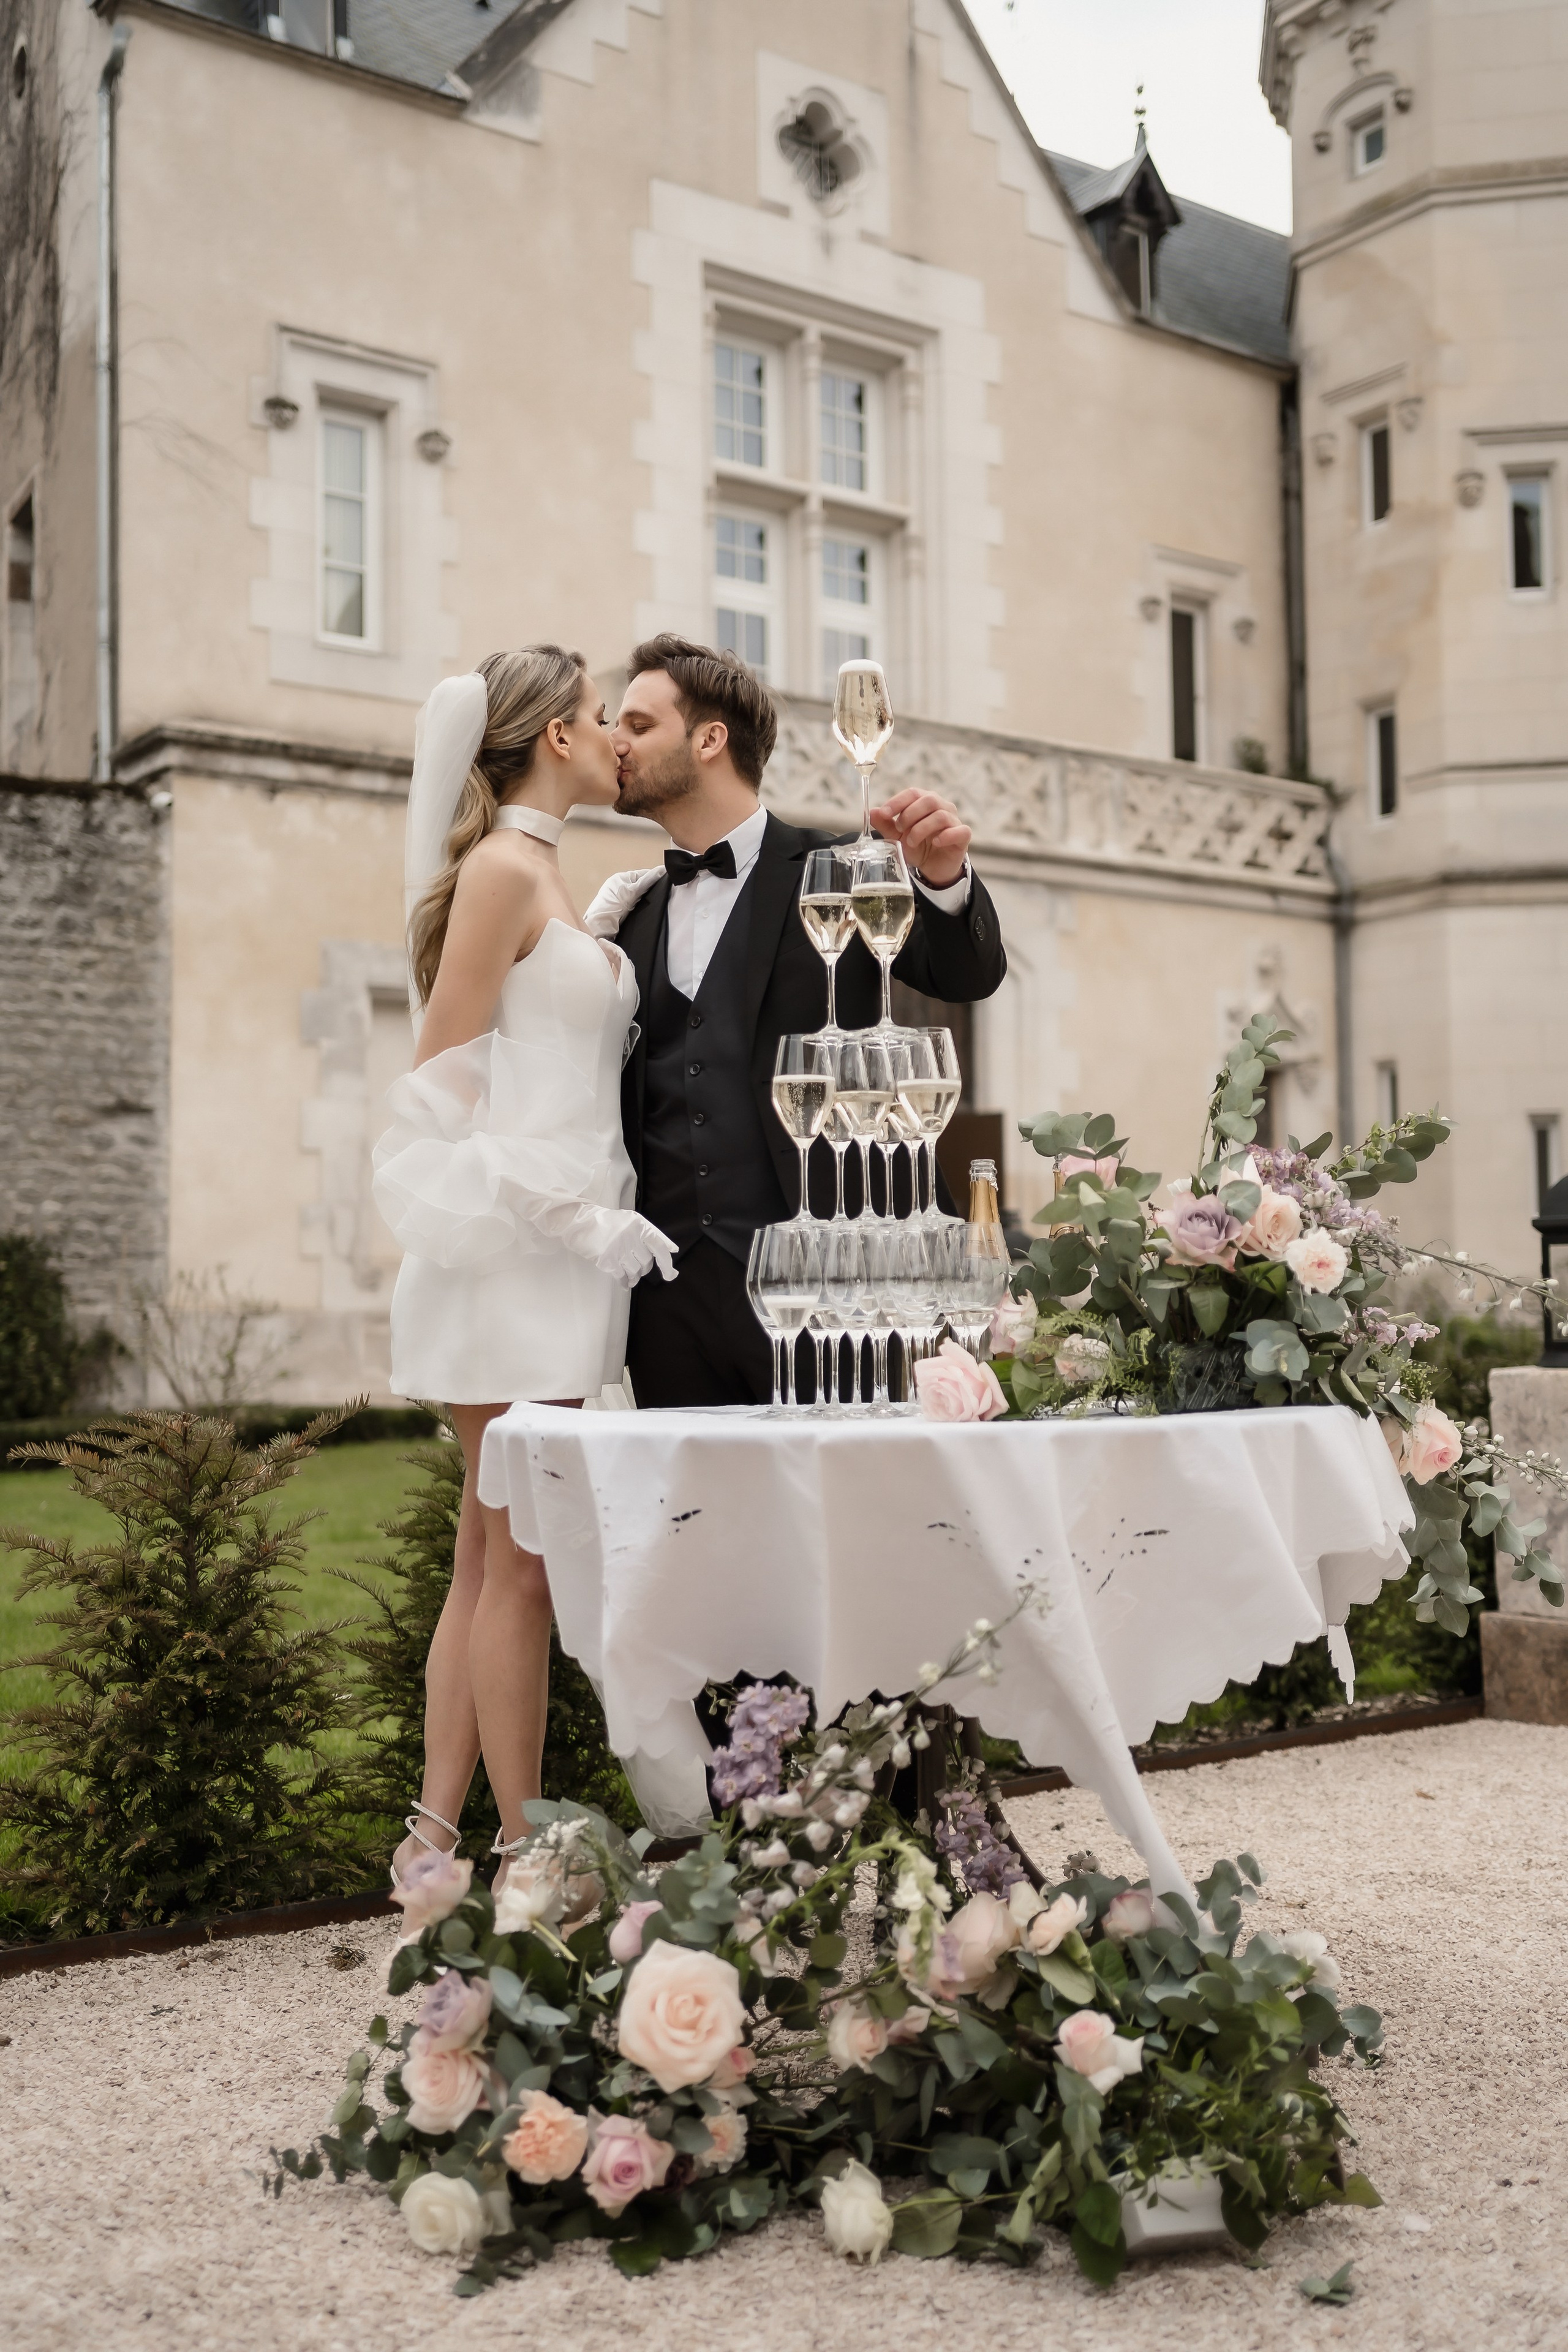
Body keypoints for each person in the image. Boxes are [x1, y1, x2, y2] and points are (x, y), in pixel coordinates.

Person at [371, 647, 677, 1889]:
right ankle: (525, 1855)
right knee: (523, 1566)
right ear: (554, 733)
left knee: (484, 1558)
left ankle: (432, 1849)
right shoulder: (503, 870)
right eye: (604, 719)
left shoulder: (542, 873)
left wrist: (597, 938)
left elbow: (550, 1041)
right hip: (513, 1256)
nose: (618, 739)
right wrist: (556, 1214)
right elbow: (437, 1086)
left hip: (562, 1258)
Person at [586, 633, 1006, 1409]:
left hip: (832, 1287)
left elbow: (964, 974)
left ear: (709, 739)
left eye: (639, 726)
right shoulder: (632, 914)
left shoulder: (839, 868)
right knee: (694, 1524)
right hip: (667, 1302)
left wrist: (943, 879)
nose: (615, 742)